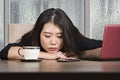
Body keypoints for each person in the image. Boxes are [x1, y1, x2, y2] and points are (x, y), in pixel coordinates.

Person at [0, 8, 102, 60]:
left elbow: (107, 47)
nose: (53, 42)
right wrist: (49, 56)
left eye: (60, 36)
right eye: (47, 36)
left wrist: (82, 54)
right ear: (39, 33)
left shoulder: (73, 40)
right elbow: (5, 52)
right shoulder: (32, 40)